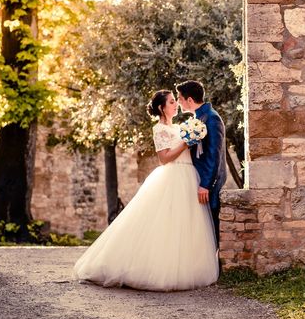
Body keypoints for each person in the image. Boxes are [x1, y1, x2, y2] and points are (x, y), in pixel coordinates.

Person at [72, 90, 219, 291]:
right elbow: (164, 158)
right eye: (171, 102)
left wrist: (190, 139)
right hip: (172, 176)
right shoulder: (159, 129)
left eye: (176, 101)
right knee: (163, 222)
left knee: (185, 223)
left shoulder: (179, 127)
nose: (176, 104)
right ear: (161, 107)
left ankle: (187, 266)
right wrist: (186, 143)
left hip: (189, 177)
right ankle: (150, 269)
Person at [175, 81, 227, 248]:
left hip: (208, 183)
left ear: (189, 100)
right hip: (200, 180)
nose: (178, 102)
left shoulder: (212, 118)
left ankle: (216, 266)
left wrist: (205, 184)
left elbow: (214, 155)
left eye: (180, 98)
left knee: (211, 227)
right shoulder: (198, 118)